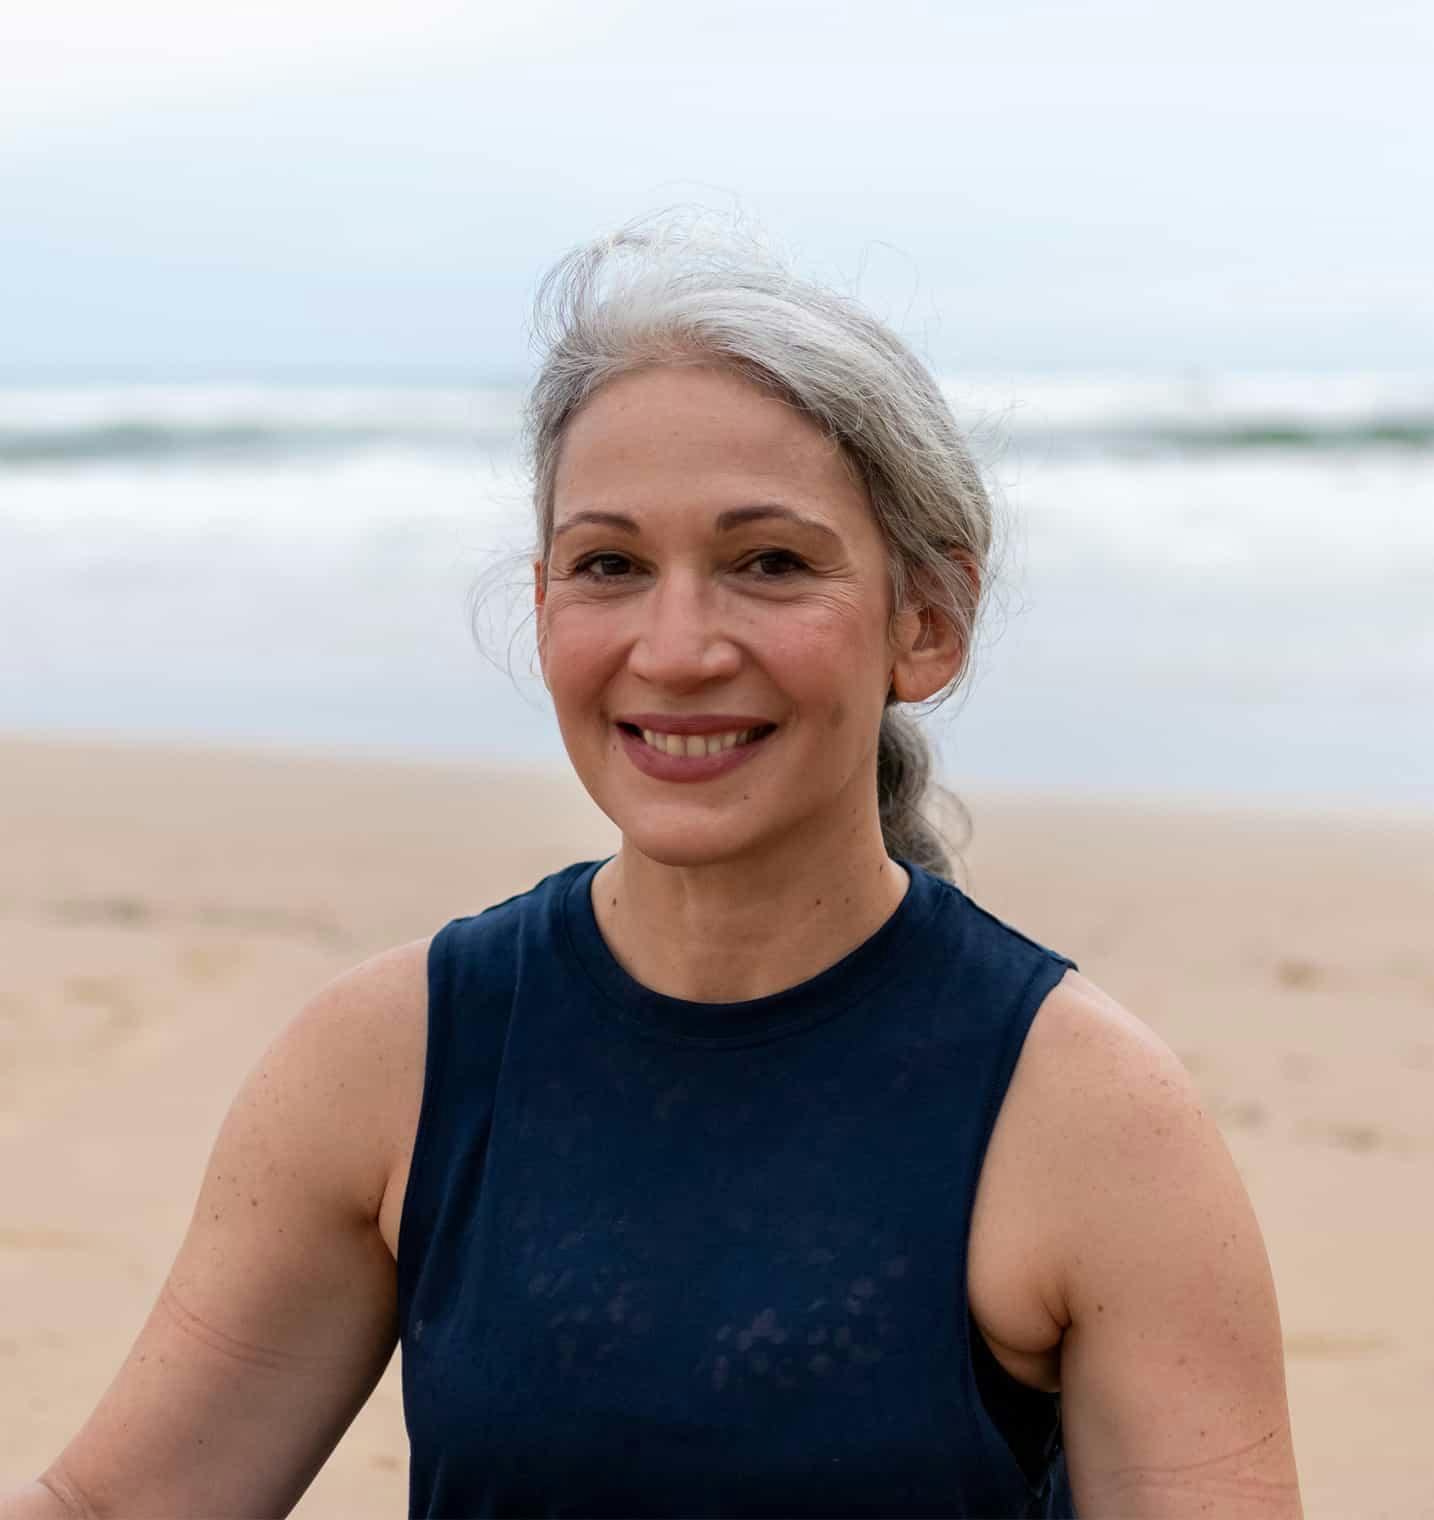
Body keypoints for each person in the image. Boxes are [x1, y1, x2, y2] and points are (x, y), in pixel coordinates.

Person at [3, 216, 1302, 1519]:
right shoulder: (390, 1058)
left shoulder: (1087, 1118)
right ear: (543, 604)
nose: (675, 648)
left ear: (926, 622)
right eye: (610, 565)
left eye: (769, 563)